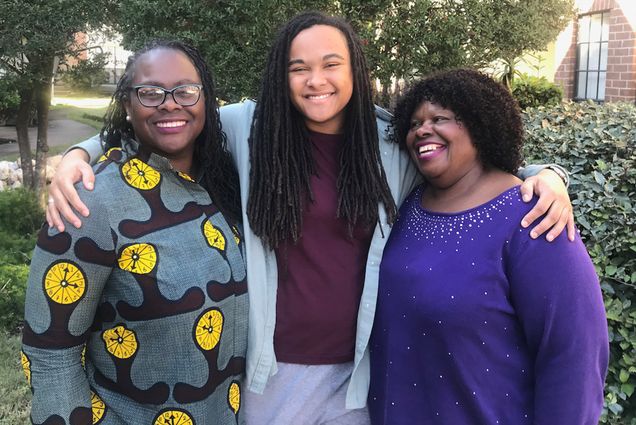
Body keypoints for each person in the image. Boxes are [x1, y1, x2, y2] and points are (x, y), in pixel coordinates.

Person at [45, 12, 575, 424]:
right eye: (299, 67)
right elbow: (167, 118)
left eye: (331, 64)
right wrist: (80, 153)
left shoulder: (387, 143)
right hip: (270, 377)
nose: (315, 80)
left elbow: (464, 161)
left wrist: (544, 173)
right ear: (283, 73)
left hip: (361, 377)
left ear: (354, 70)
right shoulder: (247, 128)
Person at [21, 40, 248, 424]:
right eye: (150, 92)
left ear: (206, 100)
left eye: (185, 90)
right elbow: (50, 355)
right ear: (127, 105)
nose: (170, 103)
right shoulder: (91, 202)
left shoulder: (220, 181)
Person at [368, 69, 608, 424]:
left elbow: (574, 357)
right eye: (415, 122)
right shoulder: (403, 205)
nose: (422, 130)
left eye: (440, 118)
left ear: (481, 124)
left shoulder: (535, 218)